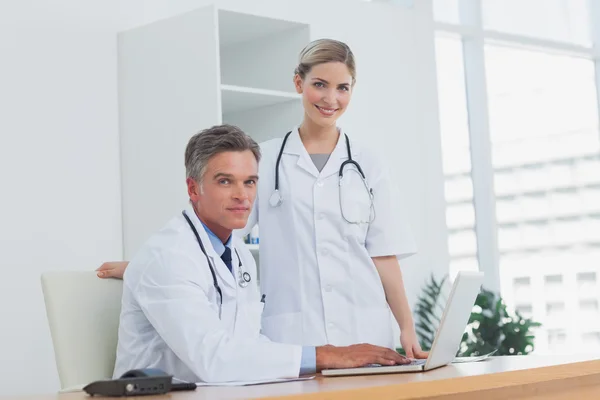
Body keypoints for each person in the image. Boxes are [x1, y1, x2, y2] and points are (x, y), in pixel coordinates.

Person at [100, 39, 427, 360]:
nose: (331, 98)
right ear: (298, 83)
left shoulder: (368, 163)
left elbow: (383, 254)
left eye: (343, 87)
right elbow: (220, 229)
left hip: (364, 329)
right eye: (320, 84)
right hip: (295, 334)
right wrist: (149, 266)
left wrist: (407, 326)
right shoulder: (264, 158)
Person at [113, 124, 408, 383]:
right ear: (194, 188)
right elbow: (214, 359)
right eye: (225, 181)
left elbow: (247, 346)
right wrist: (328, 355)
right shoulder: (168, 257)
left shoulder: (238, 254)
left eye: (250, 182)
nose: (242, 195)